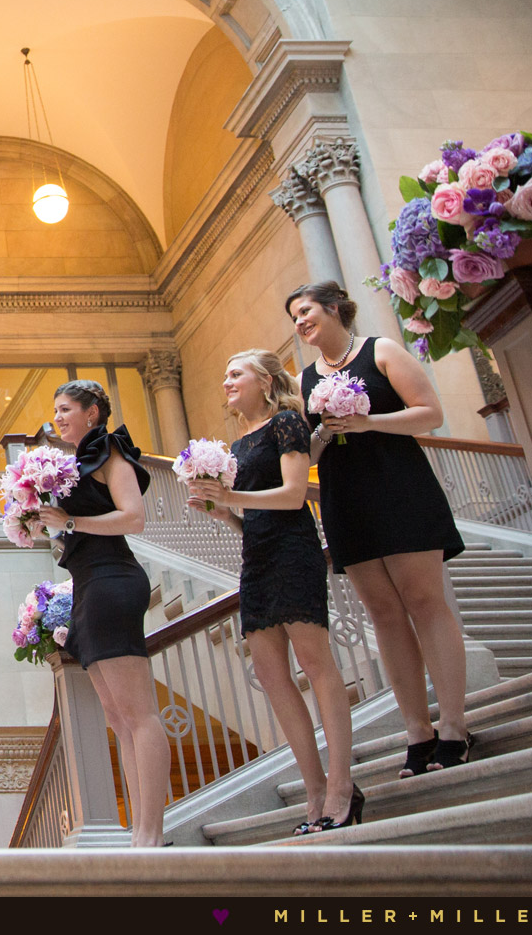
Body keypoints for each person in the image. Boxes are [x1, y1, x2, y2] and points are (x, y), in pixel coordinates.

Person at [290, 280, 471, 777]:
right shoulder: (305, 379)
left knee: (423, 600)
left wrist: (370, 421)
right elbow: (308, 453)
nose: (300, 322)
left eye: (305, 311)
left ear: (333, 309)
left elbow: (430, 414)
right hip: (346, 498)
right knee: (384, 614)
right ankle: (417, 730)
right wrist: (325, 430)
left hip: (400, 484)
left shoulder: (380, 350)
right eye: (294, 318)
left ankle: (453, 725)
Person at [187, 349, 357, 833]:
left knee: (316, 663)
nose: (226, 382)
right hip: (256, 555)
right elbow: (255, 514)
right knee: (271, 675)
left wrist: (230, 496)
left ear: (265, 381)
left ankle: (342, 785)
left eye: (235, 373)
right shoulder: (237, 444)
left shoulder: (287, 424)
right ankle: (314, 790)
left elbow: (291, 494)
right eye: (224, 375)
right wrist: (227, 515)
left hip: (294, 549)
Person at [34, 380, 170, 847]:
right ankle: (139, 831)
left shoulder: (110, 451)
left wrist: (70, 522)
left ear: (93, 413)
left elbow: (133, 517)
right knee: (117, 717)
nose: (58, 416)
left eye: (67, 408)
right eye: (55, 409)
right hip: (88, 586)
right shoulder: (68, 467)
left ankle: (151, 832)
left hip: (114, 580)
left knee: (139, 713)